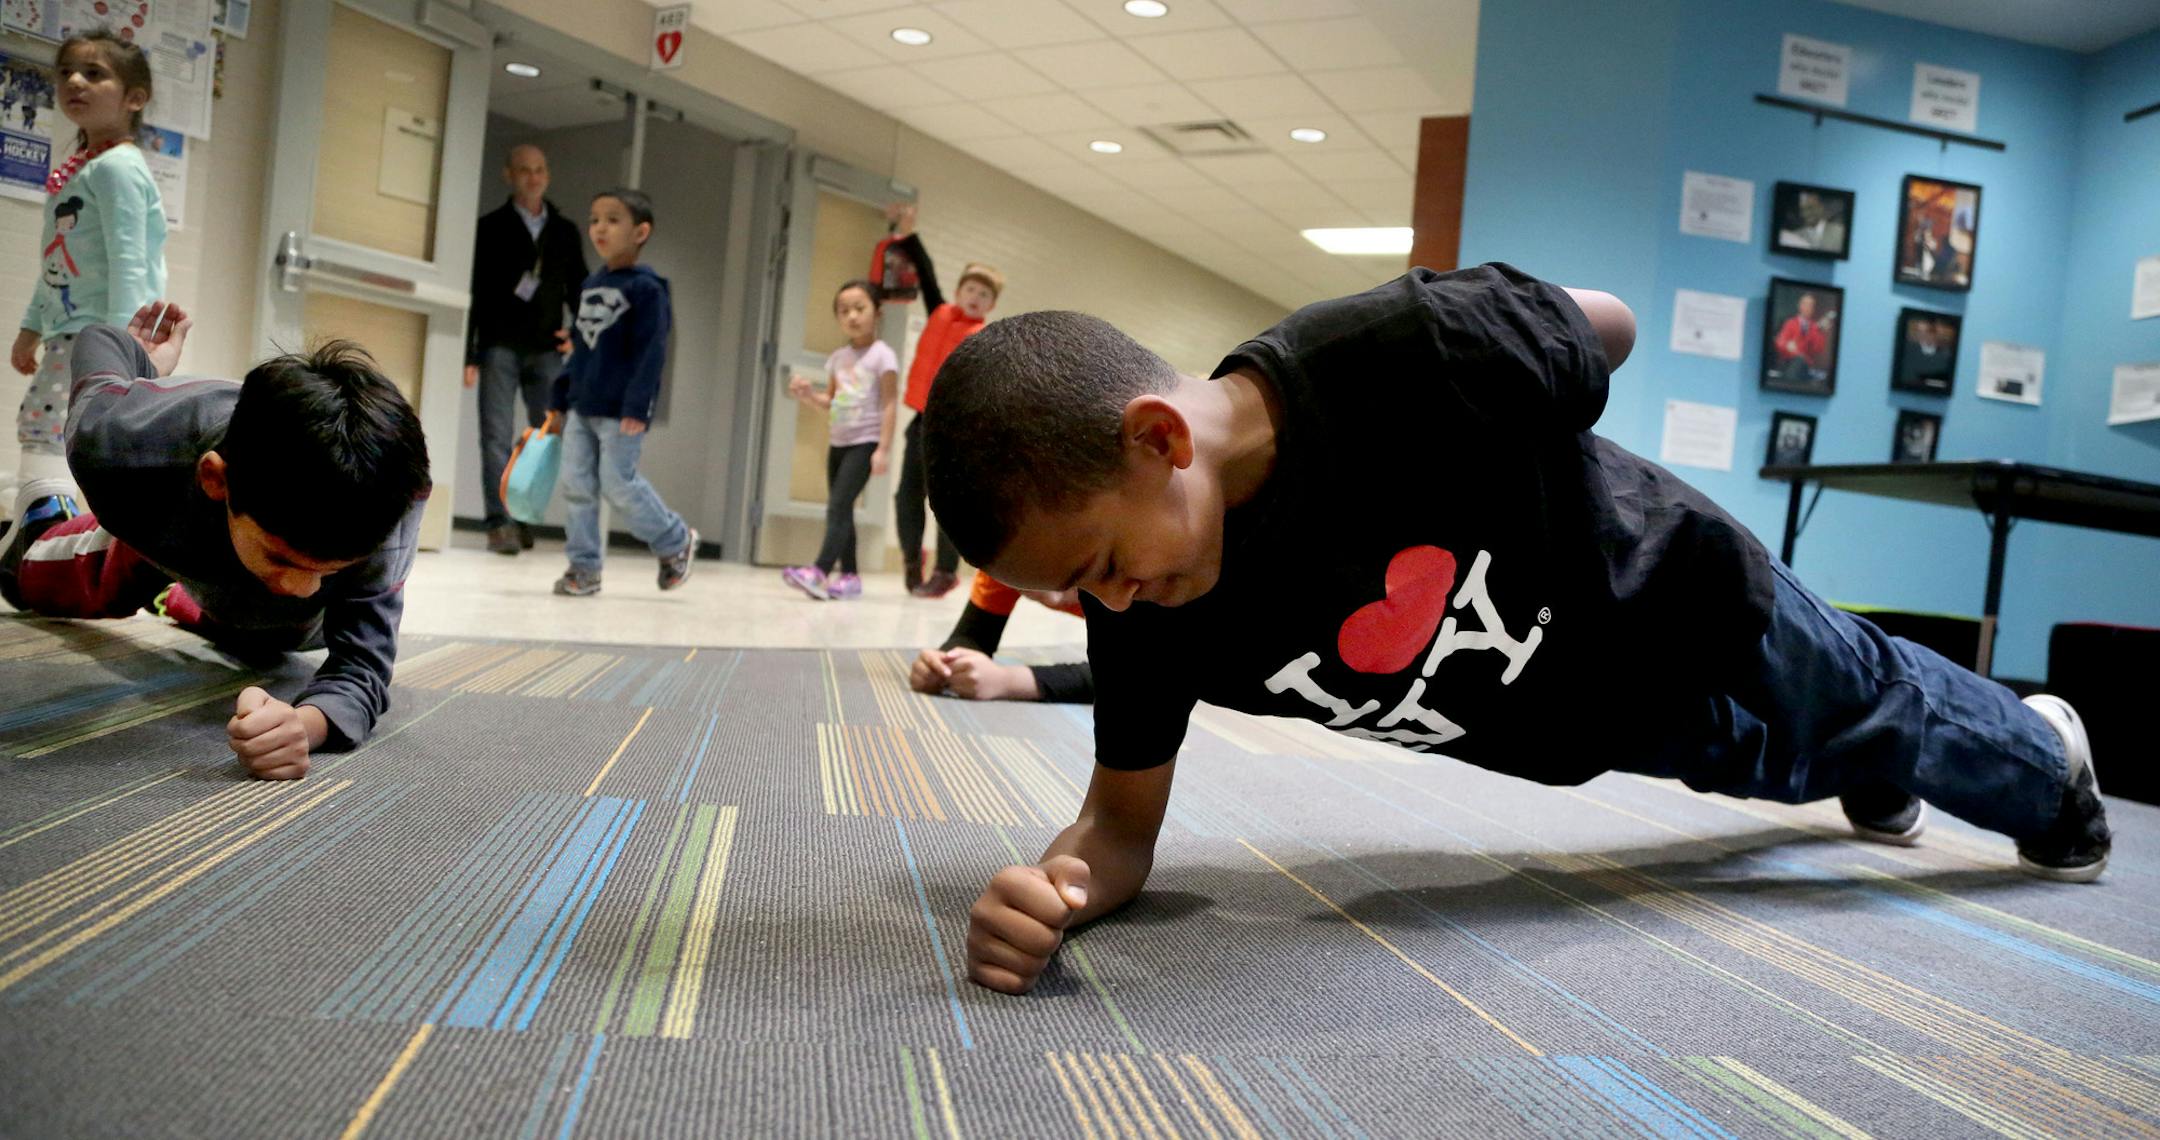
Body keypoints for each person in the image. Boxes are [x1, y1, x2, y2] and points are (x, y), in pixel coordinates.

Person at [921, 264, 2114, 996]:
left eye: (1107, 568)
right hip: (1572, 718)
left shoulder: (1392, 355)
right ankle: (1870, 768)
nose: (1117, 607)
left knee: (1866, 698)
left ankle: (2049, 768)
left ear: (1160, 440)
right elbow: (1119, 825)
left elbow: (1605, 322)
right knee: (1769, 762)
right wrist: (1061, 890)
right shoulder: (1157, 618)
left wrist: (1523, 373)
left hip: (1673, 583)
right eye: (1085, 599)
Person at [0, 303, 431, 780]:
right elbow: (100, 339)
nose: (304, 589)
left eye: (331, 569)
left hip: (241, 592)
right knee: (30, 582)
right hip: (162, 534)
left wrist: (304, 725)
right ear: (215, 479)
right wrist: (145, 368)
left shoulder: (389, 501)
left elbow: (362, 667)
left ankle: (186, 599)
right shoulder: (120, 439)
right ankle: (42, 522)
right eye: (282, 558)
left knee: (275, 630)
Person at [7, 30, 166, 548]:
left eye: (94, 73)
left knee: (53, 424)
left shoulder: (118, 167)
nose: (74, 80)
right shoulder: (81, 169)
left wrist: (123, 338)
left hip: (98, 330)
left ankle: (44, 527)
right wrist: (32, 327)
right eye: (66, 72)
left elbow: (130, 259)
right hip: (71, 328)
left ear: (134, 97)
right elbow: (54, 263)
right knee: (56, 424)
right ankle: (47, 521)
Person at [544, 188, 696, 597]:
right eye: (595, 219)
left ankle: (674, 539)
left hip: (620, 411)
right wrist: (559, 398)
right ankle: (584, 568)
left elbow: (652, 352)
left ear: (641, 231)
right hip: (581, 405)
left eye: (613, 219)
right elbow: (580, 348)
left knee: (618, 484)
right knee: (577, 486)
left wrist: (638, 405)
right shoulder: (591, 285)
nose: (600, 228)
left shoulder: (648, 290)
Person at [464, 144, 587, 555]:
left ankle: (524, 514)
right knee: (496, 435)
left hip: (548, 347)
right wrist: (470, 353)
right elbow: (476, 292)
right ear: (508, 175)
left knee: (545, 435)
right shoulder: (490, 227)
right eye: (524, 170)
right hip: (499, 345)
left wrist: (580, 334)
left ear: (547, 175)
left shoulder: (565, 232)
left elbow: (581, 289)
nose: (533, 178)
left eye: (540, 170)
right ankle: (499, 523)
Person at [881, 203, 1002, 598]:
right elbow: (927, 273)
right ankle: (912, 562)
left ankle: (947, 570)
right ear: (958, 292)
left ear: (991, 305)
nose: (975, 297)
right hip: (921, 418)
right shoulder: (939, 313)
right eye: (971, 289)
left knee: (944, 498)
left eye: (984, 294)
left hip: (954, 428)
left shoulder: (986, 339)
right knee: (906, 495)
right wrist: (908, 233)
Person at [780, 280, 898, 600]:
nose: (852, 316)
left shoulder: (882, 356)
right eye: (844, 311)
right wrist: (807, 395)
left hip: (866, 441)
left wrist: (884, 449)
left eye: (860, 308)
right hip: (839, 442)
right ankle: (850, 577)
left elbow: (889, 403)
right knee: (841, 509)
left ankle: (819, 570)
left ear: (878, 312)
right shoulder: (837, 359)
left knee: (838, 505)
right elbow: (831, 401)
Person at [908, 571, 1092, 702]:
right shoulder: (1004, 560)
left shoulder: (1117, 561)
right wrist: (946, 664)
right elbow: (973, 636)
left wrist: (1007, 680)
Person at [1772, 291, 1832, 383]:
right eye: (1805, 304)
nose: (1807, 308)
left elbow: (1818, 349)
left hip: (1806, 366)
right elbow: (1780, 341)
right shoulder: (1790, 323)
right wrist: (1787, 345)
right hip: (1789, 361)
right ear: (1800, 306)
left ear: (1813, 309)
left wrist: (1821, 332)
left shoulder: (1814, 327)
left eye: (1810, 305)